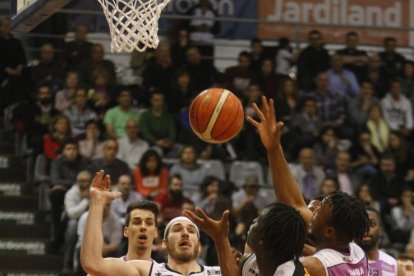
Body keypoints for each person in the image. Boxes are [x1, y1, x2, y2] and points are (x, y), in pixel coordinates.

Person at [247, 96, 370, 275]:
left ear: (329, 232)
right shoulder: (356, 252)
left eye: (319, 212)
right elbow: (294, 202)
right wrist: (274, 149)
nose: (312, 210)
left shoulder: (314, 267)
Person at [80, 170, 222, 275]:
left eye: (148, 223)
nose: (143, 227)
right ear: (126, 231)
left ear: (155, 233)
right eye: (137, 222)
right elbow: (90, 262)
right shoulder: (106, 268)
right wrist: (97, 202)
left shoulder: (159, 271)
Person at [357, 206, 400, 275]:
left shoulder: (393, 264)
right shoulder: (344, 262)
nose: (366, 229)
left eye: (371, 224)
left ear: (381, 230)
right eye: (361, 224)